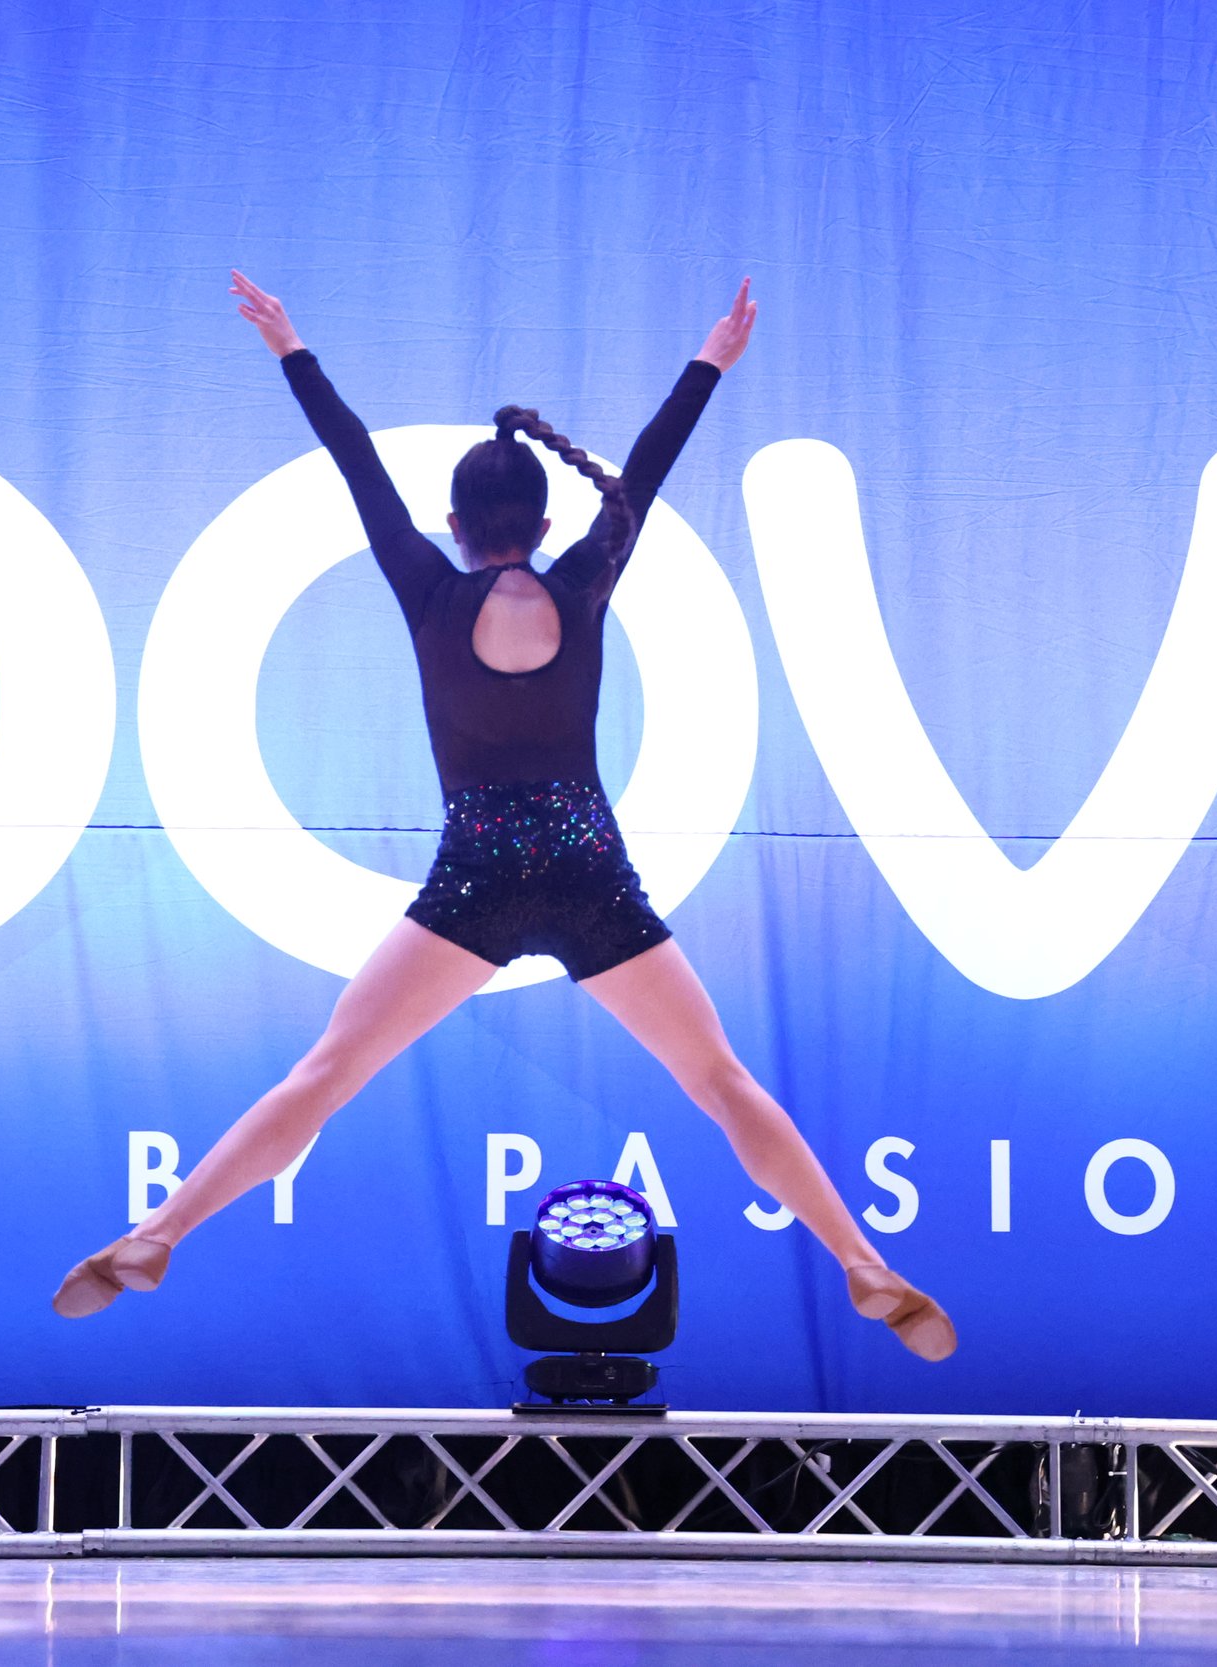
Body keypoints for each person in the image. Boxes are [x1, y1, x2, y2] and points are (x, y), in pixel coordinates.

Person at [54, 273, 956, 1360]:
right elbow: (650, 470)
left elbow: (356, 466)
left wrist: (292, 348)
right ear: (541, 521)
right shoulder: (584, 582)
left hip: (476, 876)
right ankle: (859, 1258)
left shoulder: (428, 590)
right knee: (720, 1081)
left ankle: (161, 1231)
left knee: (324, 1073)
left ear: (453, 525)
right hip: (588, 873)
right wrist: (710, 361)